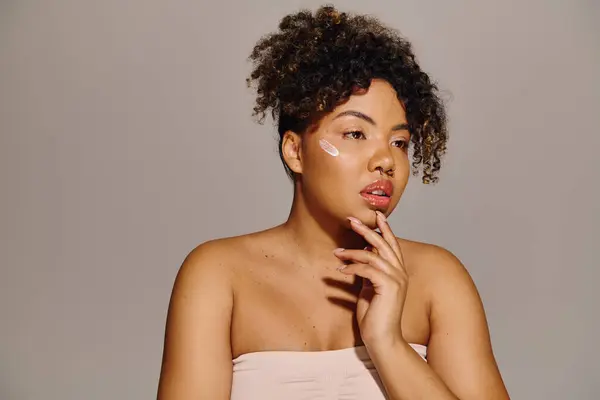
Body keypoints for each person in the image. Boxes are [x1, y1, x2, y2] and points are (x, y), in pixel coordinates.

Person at [157, 5, 510, 400]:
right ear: (295, 151)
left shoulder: (437, 281)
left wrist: (388, 343)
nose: (385, 161)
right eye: (356, 134)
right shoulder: (219, 276)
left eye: (399, 143)